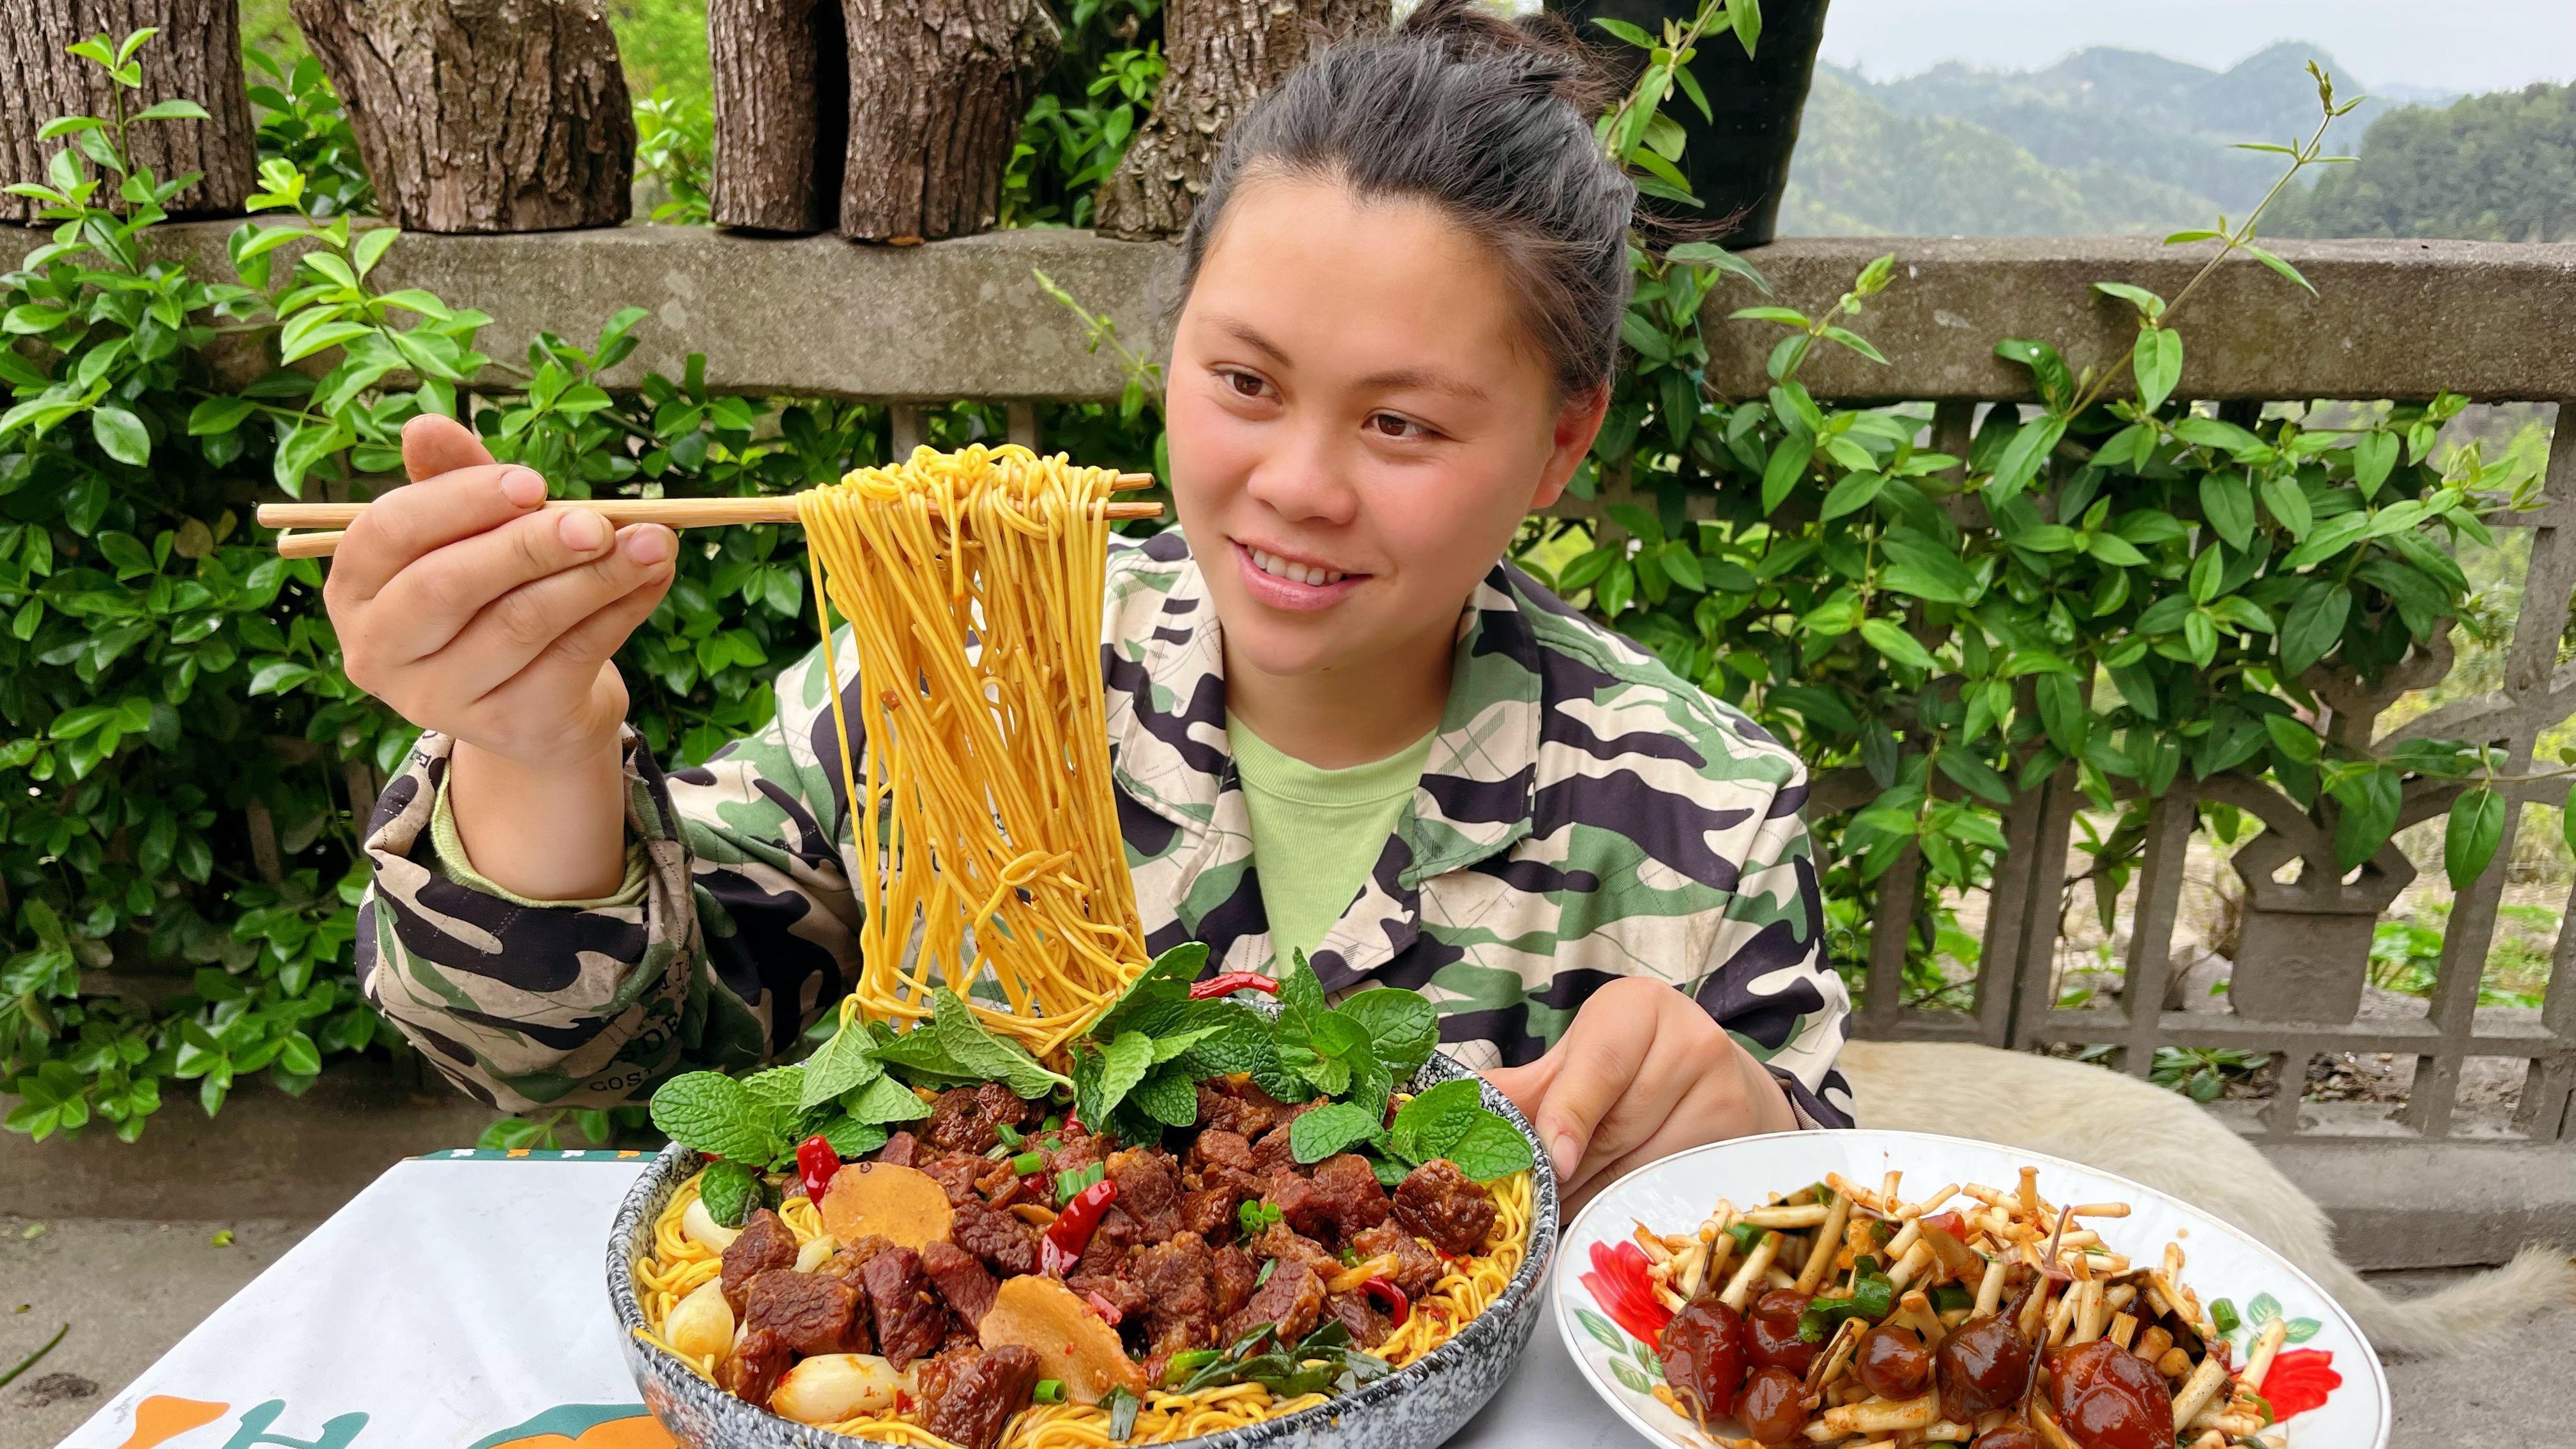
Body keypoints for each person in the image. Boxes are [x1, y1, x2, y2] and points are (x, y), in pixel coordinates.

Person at [328, 0, 1851, 1209]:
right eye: (1244, 383)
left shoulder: (1704, 814)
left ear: (1559, 446)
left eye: (1404, 425)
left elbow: (1814, 1246)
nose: (1298, 485)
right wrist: (534, 749)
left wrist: (1748, 1149)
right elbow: (602, 1051)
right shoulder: (959, 678)